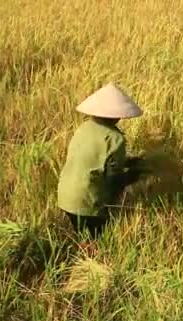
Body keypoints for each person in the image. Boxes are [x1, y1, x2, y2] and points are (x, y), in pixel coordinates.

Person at [57, 82, 146, 239]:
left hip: (65, 196)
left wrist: (128, 162)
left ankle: (82, 253)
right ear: (117, 116)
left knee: (82, 236)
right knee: (98, 237)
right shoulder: (115, 139)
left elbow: (93, 160)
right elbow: (113, 180)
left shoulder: (83, 128)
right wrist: (135, 175)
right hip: (87, 201)